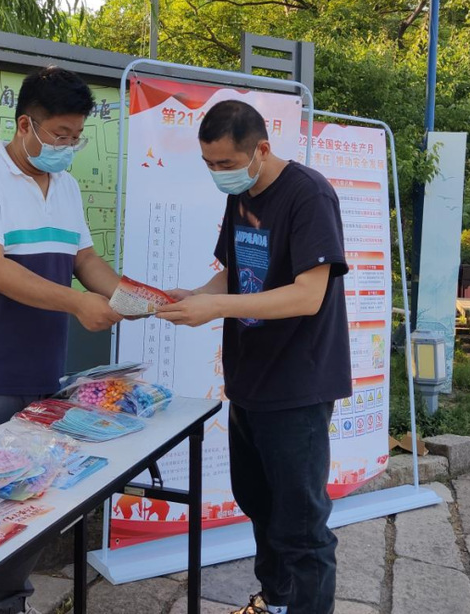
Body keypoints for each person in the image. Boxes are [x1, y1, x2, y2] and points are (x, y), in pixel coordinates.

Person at [158, 100, 352, 614]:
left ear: (261, 149)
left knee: (301, 525)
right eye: (209, 164)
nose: (218, 173)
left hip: (297, 384)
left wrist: (216, 307)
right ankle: (274, 601)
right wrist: (194, 296)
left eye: (225, 163)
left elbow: (307, 295)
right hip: (249, 379)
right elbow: (234, 271)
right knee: (260, 506)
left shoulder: (308, 194)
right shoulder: (240, 195)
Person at [0, 65, 122, 614]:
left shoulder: (66, 186)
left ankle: (11, 603)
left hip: (46, 373)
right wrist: (78, 303)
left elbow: (85, 260)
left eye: (77, 137)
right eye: (60, 135)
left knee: (30, 501)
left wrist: (136, 299)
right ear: (26, 124)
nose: (68, 147)